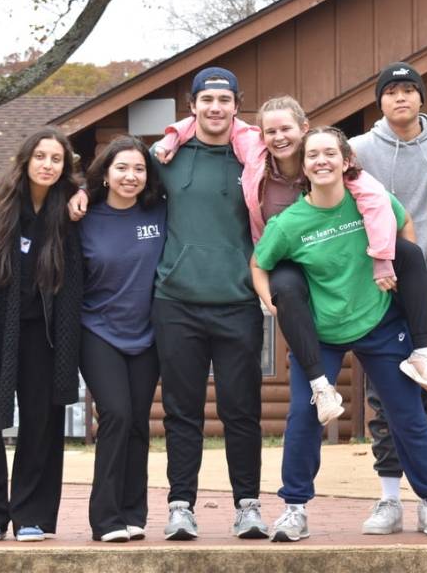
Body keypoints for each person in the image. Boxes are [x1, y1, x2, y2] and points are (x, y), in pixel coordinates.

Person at [69, 67, 268, 541]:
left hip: (238, 302)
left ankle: (248, 506)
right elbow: (118, 177)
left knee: (242, 411)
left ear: (236, 105)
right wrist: (77, 191)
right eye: (206, 99)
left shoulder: (252, 158)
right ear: (192, 105)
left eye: (224, 99)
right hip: (176, 304)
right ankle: (181, 506)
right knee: (182, 412)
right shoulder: (166, 158)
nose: (215, 107)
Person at [153, 95, 427, 423]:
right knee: (285, 283)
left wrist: (385, 260)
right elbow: (214, 116)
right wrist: (172, 136)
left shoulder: (328, 164)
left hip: (334, 260)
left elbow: (381, 207)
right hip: (286, 260)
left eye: (286, 128)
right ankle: (321, 386)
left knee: (408, 254)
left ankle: (423, 353)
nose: (278, 137)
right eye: (270, 131)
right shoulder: (256, 154)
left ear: (304, 129)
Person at [251, 126, 427, 542]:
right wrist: (271, 302)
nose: (321, 161)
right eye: (312, 155)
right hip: (323, 333)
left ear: (345, 161)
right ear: (303, 165)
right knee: (303, 413)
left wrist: (395, 278)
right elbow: (259, 265)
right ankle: (294, 509)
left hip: (380, 324)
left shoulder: (367, 200)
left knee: (407, 413)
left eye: (329, 153)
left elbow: (404, 228)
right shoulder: (290, 223)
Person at [349, 61, 427, 534]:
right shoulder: (357, 150)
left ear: (421, 98)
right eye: (391, 91)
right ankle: (389, 499)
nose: (400, 98)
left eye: (409, 90)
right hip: (379, 285)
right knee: (384, 398)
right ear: (379, 101)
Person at [0, 127, 82, 542]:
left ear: (65, 166)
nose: (48, 165)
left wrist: (85, 193)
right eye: (41, 156)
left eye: (56, 159)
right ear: (26, 160)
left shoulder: (69, 208)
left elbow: (115, 175)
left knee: (42, 424)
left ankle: (33, 516)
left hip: (47, 333)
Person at [78, 136, 165, 542]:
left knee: (138, 423)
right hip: (97, 332)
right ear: (106, 174)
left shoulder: (160, 212)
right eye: (122, 168)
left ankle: (134, 513)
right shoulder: (83, 218)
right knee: (115, 415)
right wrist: (77, 192)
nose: (131, 176)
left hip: (147, 336)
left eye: (139, 169)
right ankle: (106, 518)